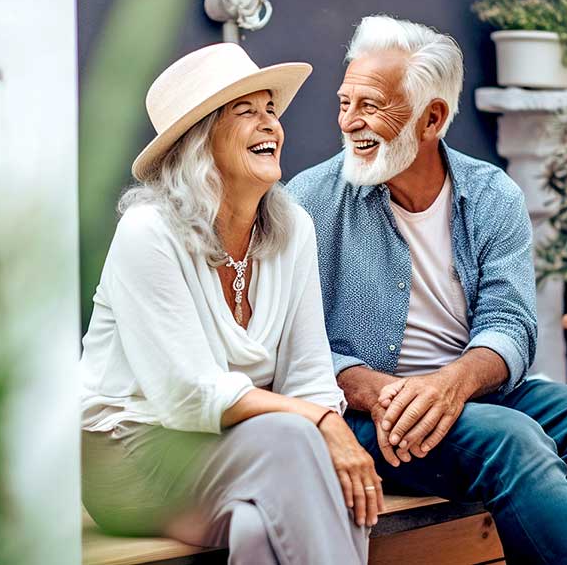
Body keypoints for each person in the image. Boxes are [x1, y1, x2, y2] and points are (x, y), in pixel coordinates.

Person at [287, 16, 567, 565]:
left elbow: (512, 322)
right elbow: (290, 341)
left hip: (471, 393)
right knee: (513, 439)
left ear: (432, 118)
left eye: (370, 105)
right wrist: (379, 392)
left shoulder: (492, 195)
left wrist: (452, 384)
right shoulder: (307, 199)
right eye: (344, 101)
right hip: (371, 415)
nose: (349, 122)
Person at [80, 43, 376, 564]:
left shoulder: (293, 231)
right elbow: (186, 394)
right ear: (200, 141)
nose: (271, 125)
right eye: (246, 112)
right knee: (296, 438)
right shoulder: (148, 232)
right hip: (130, 451)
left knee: (261, 526)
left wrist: (324, 422)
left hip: (238, 448)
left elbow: (310, 377)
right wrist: (322, 423)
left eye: (270, 110)